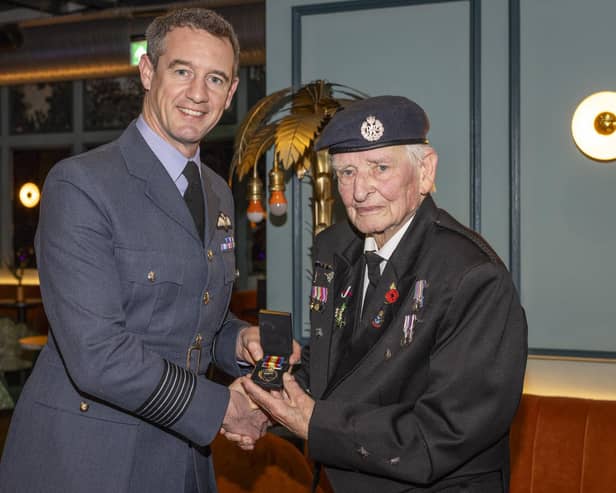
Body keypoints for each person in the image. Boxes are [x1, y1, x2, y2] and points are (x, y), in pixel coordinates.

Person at [0, 8, 290, 493]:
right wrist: (222, 408)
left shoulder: (217, 191)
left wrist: (238, 342)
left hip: (182, 460)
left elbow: (194, 316)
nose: (198, 94)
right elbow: (97, 354)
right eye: (182, 71)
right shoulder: (82, 185)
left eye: (215, 79)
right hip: (90, 460)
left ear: (232, 93)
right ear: (148, 72)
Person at [242, 96, 528, 492]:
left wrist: (313, 423)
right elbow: (338, 369)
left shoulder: (472, 275)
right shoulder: (335, 248)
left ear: (425, 171)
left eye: (380, 168)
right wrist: (261, 401)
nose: (360, 191)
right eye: (346, 173)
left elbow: (447, 430)